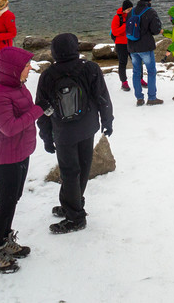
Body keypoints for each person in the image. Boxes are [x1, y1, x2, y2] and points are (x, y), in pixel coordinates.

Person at [36, 33, 114, 234]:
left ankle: (75, 217)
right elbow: (102, 97)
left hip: (63, 132)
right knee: (82, 168)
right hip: (87, 127)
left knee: (70, 172)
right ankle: (74, 204)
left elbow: (42, 109)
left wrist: (46, 137)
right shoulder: (90, 68)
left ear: (54, 52)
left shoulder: (48, 75)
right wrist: (107, 120)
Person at [0, 46, 43, 274]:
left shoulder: (19, 87)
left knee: (13, 199)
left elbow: (24, 115)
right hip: (5, 158)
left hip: (20, 153)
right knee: (5, 203)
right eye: (26, 65)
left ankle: (6, 240)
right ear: (14, 69)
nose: (30, 68)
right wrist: (38, 111)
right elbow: (9, 128)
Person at [127, 0, 162, 106]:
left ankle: (139, 98)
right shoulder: (150, 11)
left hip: (132, 47)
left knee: (136, 72)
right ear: (149, 0)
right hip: (145, 47)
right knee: (151, 71)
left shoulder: (131, 12)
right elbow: (155, 30)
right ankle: (152, 98)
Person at [109, 0, 133, 92]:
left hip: (131, 42)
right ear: (124, 9)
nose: (130, 11)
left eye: (131, 9)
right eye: (128, 10)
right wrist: (126, 25)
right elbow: (115, 32)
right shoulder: (117, 18)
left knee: (137, 62)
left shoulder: (132, 16)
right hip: (121, 44)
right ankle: (124, 82)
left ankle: (140, 79)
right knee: (123, 63)